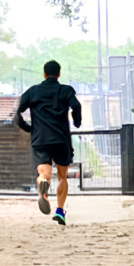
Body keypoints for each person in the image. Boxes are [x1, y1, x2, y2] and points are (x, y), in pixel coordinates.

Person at [15, 59, 82, 225]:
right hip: (61, 139)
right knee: (62, 177)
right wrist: (77, 121)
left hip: (41, 139)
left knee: (43, 173)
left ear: (44, 74)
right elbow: (76, 106)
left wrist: (27, 127)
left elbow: (17, 112)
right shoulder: (65, 90)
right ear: (59, 74)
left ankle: (43, 187)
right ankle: (60, 211)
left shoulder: (33, 92)